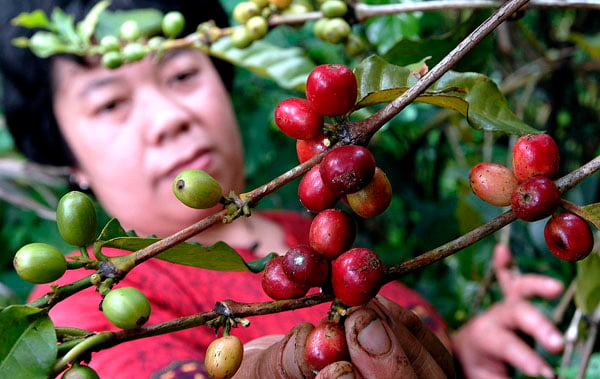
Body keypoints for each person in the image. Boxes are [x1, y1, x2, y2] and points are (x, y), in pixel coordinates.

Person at [0, 1, 564, 378]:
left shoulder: (312, 233)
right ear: (64, 155)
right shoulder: (86, 308)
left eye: (181, 74)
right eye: (110, 104)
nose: (168, 117)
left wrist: (464, 350)